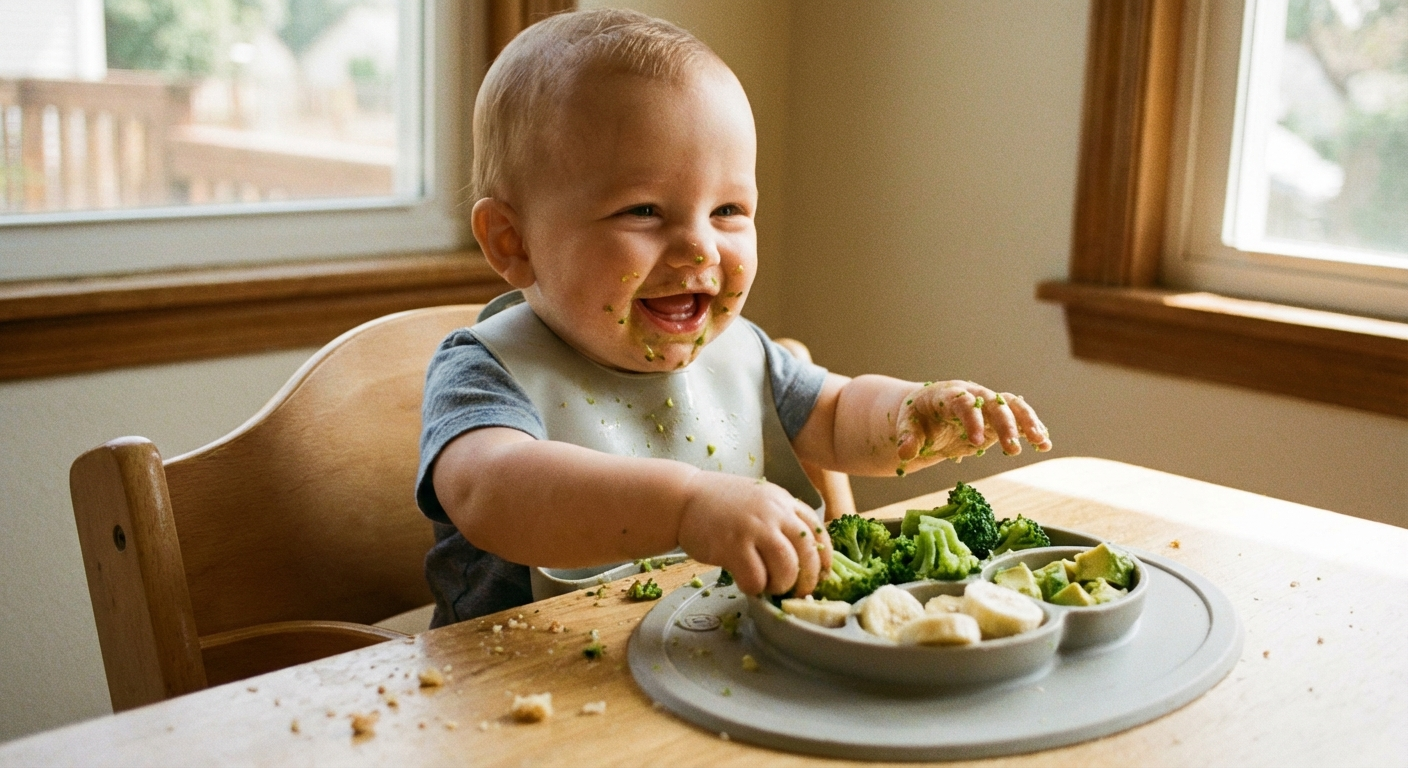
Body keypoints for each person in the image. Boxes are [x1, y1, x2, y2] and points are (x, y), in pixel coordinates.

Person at [416, 8, 1051, 627]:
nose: (700, 248)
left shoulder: (742, 355)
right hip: (513, 692)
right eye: (642, 211)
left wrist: (912, 414)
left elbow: (836, 414)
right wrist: (686, 507)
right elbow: (493, 492)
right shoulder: (485, 370)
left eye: (727, 210)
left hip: (714, 664)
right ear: (512, 241)